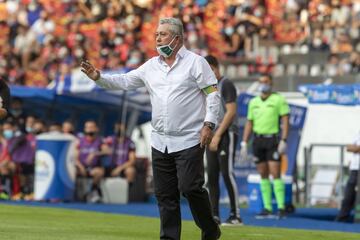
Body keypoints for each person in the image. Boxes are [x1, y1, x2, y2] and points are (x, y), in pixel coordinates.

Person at [81, 17, 221, 240]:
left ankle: (210, 227)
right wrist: (98, 77)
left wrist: (209, 124)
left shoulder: (196, 62)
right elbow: (125, 81)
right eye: (156, 34)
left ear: (177, 38)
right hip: (160, 141)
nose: (157, 37)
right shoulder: (151, 66)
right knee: (165, 195)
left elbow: (213, 95)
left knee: (190, 188)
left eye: (162, 34)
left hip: (189, 139)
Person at [241, 74, 289, 219]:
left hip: (272, 140)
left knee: (275, 173)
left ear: (271, 83)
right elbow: (249, 122)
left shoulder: (279, 99)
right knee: (263, 174)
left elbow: (286, 120)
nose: (263, 84)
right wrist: (244, 142)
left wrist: (284, 140)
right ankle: (267, 207)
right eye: (261, 82)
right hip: (258, 140)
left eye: (266, 82)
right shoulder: (253, 102)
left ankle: (281, 207)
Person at [204, 55, 243, 226]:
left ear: (216, 67)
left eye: (211, 69)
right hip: (212, 133)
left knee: (227, 173)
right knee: (211, 175)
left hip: (227, 133)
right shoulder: (208, 87)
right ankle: (214, 215)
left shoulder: (226, 84)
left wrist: (218, 134)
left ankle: (236, 215)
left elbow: (231, 111)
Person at [75, 120, 104, 203]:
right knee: (72, 171)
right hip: (81, 167)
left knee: (99, 172)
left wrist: (95, 153)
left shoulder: (99, 141)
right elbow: (75, 157)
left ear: (96, 129)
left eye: (92, 127)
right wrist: (81, 167)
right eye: (88, 127)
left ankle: (92, 191)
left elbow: (108, 151)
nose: (89, 129)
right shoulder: (80, 141)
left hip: (93, 167)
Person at [335, 132, 360, 222]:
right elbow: (348, 147)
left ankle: (357, 219)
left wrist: (355, 148)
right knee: (348, 194)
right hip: (354, 168)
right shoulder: (357, 134)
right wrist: (355, 148)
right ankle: (342, 217)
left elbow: (354, 147)